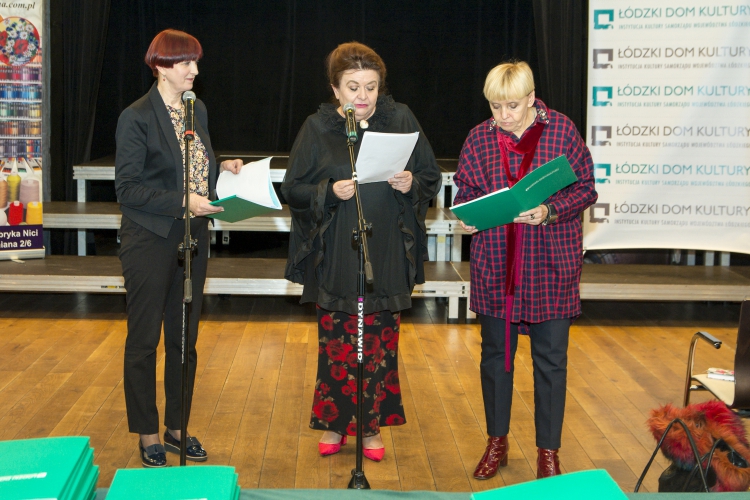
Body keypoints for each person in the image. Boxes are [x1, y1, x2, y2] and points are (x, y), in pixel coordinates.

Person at [282, 42, 441, 462]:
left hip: (385, 249)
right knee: (337, 343)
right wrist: (328, 191)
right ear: (335, 89)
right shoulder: (316, 128)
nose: (363, 96)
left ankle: (370, 428)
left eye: (370, 86)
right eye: (353, 87)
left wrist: (411, 182)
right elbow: (292, 189)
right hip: (337, 250)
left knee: (379, 345)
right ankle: (335, 422)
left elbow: (431, 176)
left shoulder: (400, 118)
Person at [453, 61, 597, 480]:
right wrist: (469, 215)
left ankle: (548, 452)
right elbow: (465, 191)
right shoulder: (480, 137)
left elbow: (586, 188)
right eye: (495, 107)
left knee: (551, 361)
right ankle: (496, 442)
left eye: (512, 106)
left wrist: (550, 210)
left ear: (532, 98)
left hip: (551, 262)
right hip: (497, 262)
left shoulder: (562, 131)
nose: (503, 115)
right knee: (496, 358)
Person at [115, 29, 243, 468]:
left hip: (192, 237)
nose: (195, 70)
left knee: (184, 340)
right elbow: (128, 189)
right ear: (160, 67)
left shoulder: (195, 109)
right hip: (149, 240)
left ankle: (176, 428)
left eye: (195, 61)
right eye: (186, 62)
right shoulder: (136, 117)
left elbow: (194, 166)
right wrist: (183, 200)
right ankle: (147, 433)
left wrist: (222, 169)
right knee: (144, 341)